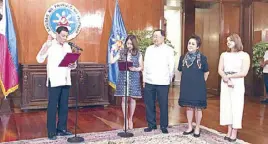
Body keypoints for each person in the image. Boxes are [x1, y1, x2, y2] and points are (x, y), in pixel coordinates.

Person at [36, 26, 76, 140]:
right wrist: (46, 45)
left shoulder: (68, 46)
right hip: (54, 80)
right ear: (57, 34)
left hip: (66, 79)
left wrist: (73, 65)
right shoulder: (50, 44)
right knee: (53, 106)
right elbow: (39, 58)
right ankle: (51, 131)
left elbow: (70, 63)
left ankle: (62, 129)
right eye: (63, 35)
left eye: (66, 36)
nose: (65, 38)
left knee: (64, 106)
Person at [218, 33, 250, 142]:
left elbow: (244, 72)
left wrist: (230, 76)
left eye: (230, 40)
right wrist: (225, 77)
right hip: (225, 82)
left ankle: (234, 131)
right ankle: (228, 130)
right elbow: (220, 69)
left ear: (236, 41)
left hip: (237, 82)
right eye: (227, 41)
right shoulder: (224, 55)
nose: (228, 42)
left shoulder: (244, 55)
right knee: (226, 106)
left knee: (236, 106)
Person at [143, 29, 175, 134]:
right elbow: (145, 65)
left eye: (157, 36)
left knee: (163, 104)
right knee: (149, 104)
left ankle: (164, 125)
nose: (155, 38)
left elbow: (171, 66)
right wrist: (144, 79)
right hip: (149, 81)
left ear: (163, 38)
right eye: (153, 36)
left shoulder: (169, 50)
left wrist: (169, 79)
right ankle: (151, 124)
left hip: (163, 81)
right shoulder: (149, 49)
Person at [178, 34, 209, 137]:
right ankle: (190, 126)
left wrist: (200, 83)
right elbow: (181, 71)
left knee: (198, 107)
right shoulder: (183, 57)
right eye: (189, 43)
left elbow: (206, 72)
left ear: (197, 47)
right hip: (186, 86)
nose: (190, 45)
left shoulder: (203, 58)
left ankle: (197, 127)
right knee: (189, 107)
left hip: (198, 87)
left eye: (193, 44)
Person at [109, 34, 143, 129]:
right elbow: (112, 61)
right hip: (123, 77)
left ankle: (130, 119)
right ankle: (125, 120)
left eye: (131, 44)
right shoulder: (122, 52)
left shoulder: (138, 54)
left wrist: (135, 69)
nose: (129, 46)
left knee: (132, 98)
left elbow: (141, 67)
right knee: (124, 99)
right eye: (127, 43)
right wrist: (112, 50)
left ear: (134, 44)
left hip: (133, 77)